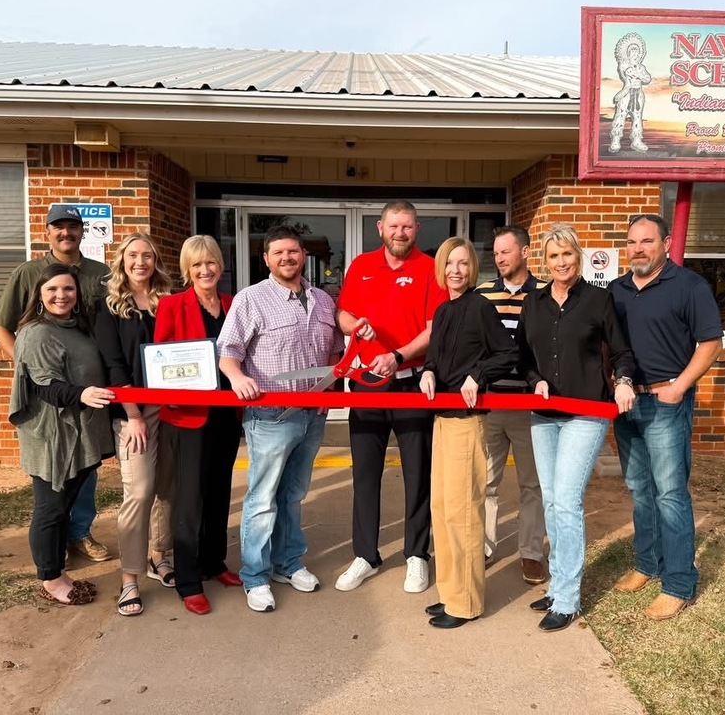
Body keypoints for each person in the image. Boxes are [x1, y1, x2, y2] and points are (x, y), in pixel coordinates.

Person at [218, 225, 345, 613]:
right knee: (262, 497)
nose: (287, 258)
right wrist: (237, 378)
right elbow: (228, 351)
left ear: (303, 255)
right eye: (278, 253)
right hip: (270, 415)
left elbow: (335, 354)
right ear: (267, 259)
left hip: (312, 415)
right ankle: (254, 575)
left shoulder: (324, 301)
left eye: (293, 252)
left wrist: (329, 393)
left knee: (293, 494)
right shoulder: (251, 300)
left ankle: (287, 563)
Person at [517, 225, 635, 632]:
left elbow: (622, 351)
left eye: (567, 254)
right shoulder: (533, 303)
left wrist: (623, 381)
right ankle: (557, 585)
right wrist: (535, 381)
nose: (561, 262)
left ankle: (567, 599)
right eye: (553, 256)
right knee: (550, 501)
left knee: (566, 501)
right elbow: (522, 358)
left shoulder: (600, 299)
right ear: (544, 261)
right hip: (544, 415)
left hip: (587, 413)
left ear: (578, 256)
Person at [609, 214, 723, 621]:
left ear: (666, 242)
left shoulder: (688, 286)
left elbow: (710, 342)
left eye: (646, 241)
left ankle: (678, 583)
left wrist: (680, 386)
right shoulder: (616, 290)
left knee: (670, 493)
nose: (638, 248)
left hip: (666, 401)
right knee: (639, 489)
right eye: (632, 242)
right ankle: (647, 564)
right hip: (626, 404)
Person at [334, 200, 446, 594]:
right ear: (380, 227)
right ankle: (365, 554)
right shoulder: (361, 266)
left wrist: (397, 355)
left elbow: (434, 328)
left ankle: (417, 555)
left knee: (418, 474)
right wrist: (354, 324)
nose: (400, 233)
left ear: (417, 229)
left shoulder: (430, 268)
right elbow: (341, 314)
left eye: (408, 227)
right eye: (394, 226)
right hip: (365, 384)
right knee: (365, 475)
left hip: (411, 382)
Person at [0, 203, 112, 563]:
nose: (66, 233)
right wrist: (27, 366)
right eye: (58, 227)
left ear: (81, 231)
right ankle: (53, 545)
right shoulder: (29, 273)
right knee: (54, 473)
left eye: (72, 226)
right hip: (51, 397)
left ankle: (80, 534)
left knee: (86, 467)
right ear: (48, 232)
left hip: (87, 395)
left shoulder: (100, 274)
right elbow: (1, 327)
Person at [420, 238, 517, 629]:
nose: (456, 270)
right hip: (442, 420)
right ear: (441, 268)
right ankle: (449, 593)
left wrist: (478, 375)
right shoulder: (443, 310)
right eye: (450, 264)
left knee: (463, 514)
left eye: (463, 264)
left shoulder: (480, 307)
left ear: (472, 269)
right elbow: (436, 356)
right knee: (441, 510)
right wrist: (428, 370)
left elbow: (508, 353)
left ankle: (466, 603)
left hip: (468, 421)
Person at [9, 263, 115, 605]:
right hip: (53, 437)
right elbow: (46, 386)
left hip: (79, 432)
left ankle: (59, 573)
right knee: (51, 508)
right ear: (39, 294)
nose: (61, 295)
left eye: (68, 289)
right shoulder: (36, 332)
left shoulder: (78, 326)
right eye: (52, 289)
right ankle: (51, 579)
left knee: (65, 505)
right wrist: (81, 394)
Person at [153, 235, 243, 615]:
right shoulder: (172, 306)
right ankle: (188, 578)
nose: (205, 270)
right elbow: (160, 357)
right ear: (187, 271)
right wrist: (168, 391)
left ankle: (213, 562)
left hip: (226, 412)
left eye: (211, 263)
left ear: (220, 266)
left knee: (220, 489)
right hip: (188, 414)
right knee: (189, 498)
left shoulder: (233, 303)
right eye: (197, 265)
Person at [94, 233, 175, 618]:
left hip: (172, 405)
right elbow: (114, 365)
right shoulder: (108, 306)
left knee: (167, 488)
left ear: (156, 261)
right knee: (139, 490)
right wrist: (134, 415)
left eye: (147, 255)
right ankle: (129, 577)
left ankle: (161, 555)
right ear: (121, 260)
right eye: (133, 255)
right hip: (132, 410)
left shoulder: (166, 302)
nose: (140, 262)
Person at [475, 225, 549, 584]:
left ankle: (531, 552)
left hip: (528, 406)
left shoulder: (546, 296)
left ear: (524, 252)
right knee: (485, 481)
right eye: (496, 252)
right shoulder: (483, 294)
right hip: (489, 403)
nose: (499, 258)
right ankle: (484, 546)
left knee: (531, 484)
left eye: (506, 251)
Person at [609, 33, 652, 154]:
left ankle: (637, 140)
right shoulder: (623, 64)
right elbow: (626, 76)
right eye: (632, 51)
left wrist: (639, 75)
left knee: (637, 117)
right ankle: (616, 139)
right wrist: (635, 76)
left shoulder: (641, 67)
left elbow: (647, 78)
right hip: (627, 93)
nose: (634, 53)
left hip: (638, 94)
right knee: (621, 115)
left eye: (636, 51)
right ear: (628, 52)